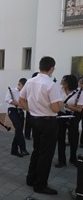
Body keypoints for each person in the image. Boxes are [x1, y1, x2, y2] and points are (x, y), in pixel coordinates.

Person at [19, 56, 62, 195]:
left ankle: (31, 178)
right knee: (46, 154)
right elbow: (56, 109)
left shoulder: (30, 81)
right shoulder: (51, 84)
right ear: (51, 68)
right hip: (48, 121)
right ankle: (40, 185)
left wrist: (30, 109)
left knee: (37, 150)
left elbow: (21, 99)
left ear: (39, 66)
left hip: (34, 119)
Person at [55, 75, 82, 168]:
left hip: (73, 116)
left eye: (64, 81)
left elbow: (79, 109)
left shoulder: (79, 93)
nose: (62, 82)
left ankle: (73, 159)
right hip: (61, 114)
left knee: (73, 138)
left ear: (70, 83)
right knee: (60, 137)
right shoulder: (60, 91)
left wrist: (66, 105)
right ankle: (61, 160)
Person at [5, 78, 30, 157]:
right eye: (23, 86)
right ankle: (23, 148)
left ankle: (14, 150)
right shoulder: (11, 90)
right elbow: (8, 100)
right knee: (19, 127)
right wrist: (20, 104)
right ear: (20, 84)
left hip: (20, 112)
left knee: (18, 130)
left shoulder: (25, 93)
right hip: (12, 110)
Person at [24, 72, 39, 140]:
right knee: (29, 121)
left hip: (34, 105)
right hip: (30, 104)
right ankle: (27, 134)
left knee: (33, 121)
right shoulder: (29, 84)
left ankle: (33, 135)